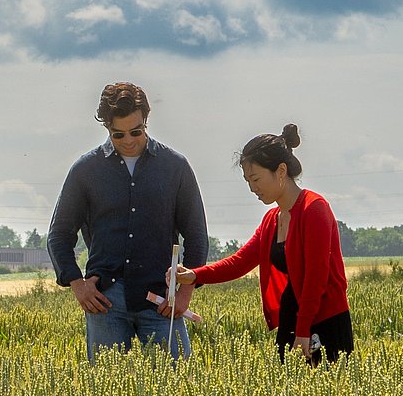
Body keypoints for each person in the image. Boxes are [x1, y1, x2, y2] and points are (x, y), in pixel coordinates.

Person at [48, 82, 207, 360]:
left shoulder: (175, 166)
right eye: (117, 134)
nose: (128, 140)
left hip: (160, 298)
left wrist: (185, 293)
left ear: (146, 120)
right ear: (106, 128)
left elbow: (196, 236)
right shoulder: (86, 170)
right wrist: (77, 284)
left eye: (136, 131)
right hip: (105, 301)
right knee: (106, 395)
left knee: (178, 387)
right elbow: (59, 235)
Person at [174, 125, 352, 364]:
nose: (252, 188)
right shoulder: (272, 220)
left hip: (324, 319)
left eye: (256, 178)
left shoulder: (314, 209)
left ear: (280, 171)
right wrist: (195, 274)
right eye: (248, 180)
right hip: (294, 316)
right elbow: (240, 262)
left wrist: (303, 332)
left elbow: (316, 278)